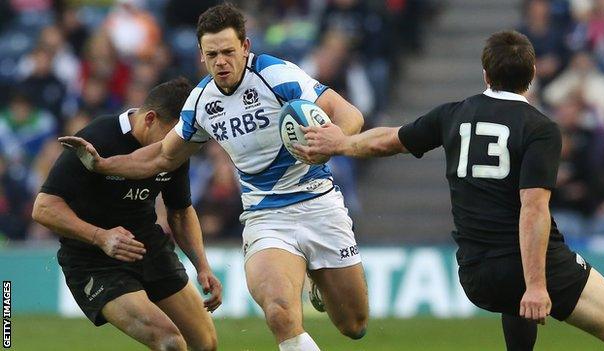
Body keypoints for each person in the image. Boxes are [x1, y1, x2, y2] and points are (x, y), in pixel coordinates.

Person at [58, 3, 369, 351]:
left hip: (317, 201)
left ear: (246, 48)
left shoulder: (277, 76)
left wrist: (336, 140)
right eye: (212, 54)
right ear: (202, 56)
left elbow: (349, 114)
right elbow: (162, 155)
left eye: (228, 52)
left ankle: (317, 280)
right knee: (280, 313)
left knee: (353, 325)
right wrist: (103, 165)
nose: (221, 61)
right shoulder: (201, 102)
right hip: (266, 216)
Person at [293, 30, 604, 351]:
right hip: (529, 265)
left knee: (513, 294)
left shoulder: (454, 114)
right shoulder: (540, 128)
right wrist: (536, 286)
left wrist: (342, 143)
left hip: (476, 273)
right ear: (533, 74)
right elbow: (533, 208)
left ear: (485, 74)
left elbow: (388, 141)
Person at [33, 78, 221, 351]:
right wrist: (100, 237)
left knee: (206, 344)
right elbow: (44, 207)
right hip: (93, 261)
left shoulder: (177, 147)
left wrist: (202, 267)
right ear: (150, 119)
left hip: (149, 248)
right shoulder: (98, 137)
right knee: (169, 342)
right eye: (173, 135)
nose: (177, 144)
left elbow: (180, 212)